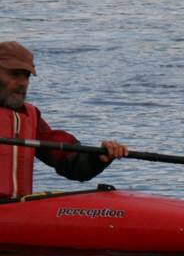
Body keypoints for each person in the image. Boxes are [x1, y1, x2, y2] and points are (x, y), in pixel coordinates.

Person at [0, 40, 128, 200]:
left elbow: (71, 164)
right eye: (14, 74)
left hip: (18, 214)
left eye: (26, 76)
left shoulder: (30, 116)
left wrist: (97, 158)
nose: (22, 83)